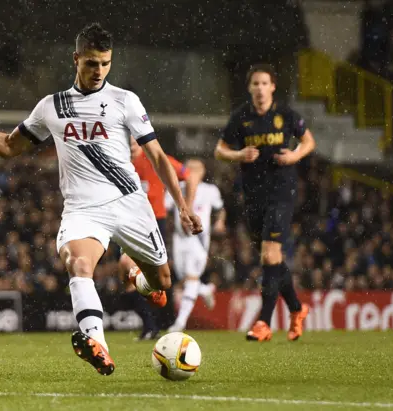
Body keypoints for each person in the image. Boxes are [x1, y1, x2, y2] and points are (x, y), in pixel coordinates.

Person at [0, 23, 202, 375]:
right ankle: (98, 344)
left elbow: (156, 156)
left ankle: (143, 281)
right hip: (83, 210)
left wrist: (183, 206)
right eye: (92, 63)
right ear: (76, 58)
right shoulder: (52, 106)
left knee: (163, 283)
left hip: (129, 204)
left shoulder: (125, 101)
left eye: (105, 64)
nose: (99, 71)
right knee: (79, 265)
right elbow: (8, 146)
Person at [214, 64, 315, 342]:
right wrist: (238, 155)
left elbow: (308, 142)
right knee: (271, 259)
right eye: (255, 83)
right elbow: (219, 150)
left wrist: (295, 157)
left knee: (270, 254)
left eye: (264, 83)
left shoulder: (285, 115)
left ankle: (264, 322)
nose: (260, 88)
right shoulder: (241, 118)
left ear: (273, 87)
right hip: (253, 194)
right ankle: (296, 308)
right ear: (250, 88)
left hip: (282, 192)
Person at [117, 137, 201, 341]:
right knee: (126, 275)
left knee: (155, 275)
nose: (129, 144)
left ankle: (159, 321)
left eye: (132, 140)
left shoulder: (153, 159)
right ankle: (151, 326)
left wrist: (187, 206)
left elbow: (189, 175)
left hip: (153, 222)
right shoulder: (117, 160)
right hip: (126, 224)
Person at [165, 159, 226, 332]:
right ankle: (205, 289)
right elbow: (165, 209)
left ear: (203, 171)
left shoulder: (210, 190)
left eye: (196, 169)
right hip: (179, 238)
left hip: (198, 238)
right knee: (184, 279)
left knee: (191, 277)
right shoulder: (176, 188)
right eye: (189, 168)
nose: (192, 172)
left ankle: (180, 322)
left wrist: (220, 221)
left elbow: (221, 208)